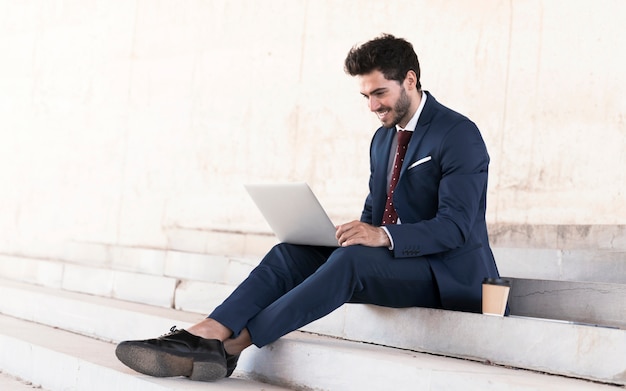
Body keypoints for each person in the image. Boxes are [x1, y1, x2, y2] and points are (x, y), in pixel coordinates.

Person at [115, 33, 502, 382]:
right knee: (292, 253)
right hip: (395, 260)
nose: (372, 106)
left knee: (350, 263)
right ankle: (210, 330)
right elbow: (374, 212)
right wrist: (350, 234)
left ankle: (232, 347)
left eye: (379, 93)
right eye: (365, 96)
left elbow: (455, 227)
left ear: (411, 80)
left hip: (448, 273)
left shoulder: (458, 134)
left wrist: (381, 236)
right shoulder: (383, 140)